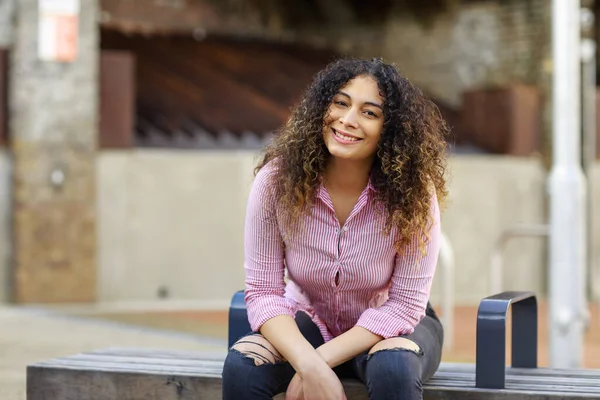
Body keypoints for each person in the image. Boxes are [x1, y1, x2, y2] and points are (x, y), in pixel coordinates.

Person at [222, 57, 449, 400]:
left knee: (394, 369)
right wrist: (308, 364)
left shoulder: (412, 194)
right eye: (340, 103)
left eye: (369, 113)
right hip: (308, 320)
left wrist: (318, 363)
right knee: (243, 366)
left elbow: (403, 306)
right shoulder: (275, 182)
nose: (347, 120)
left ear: (390, 130)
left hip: (390, 328)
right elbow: (263, 292)